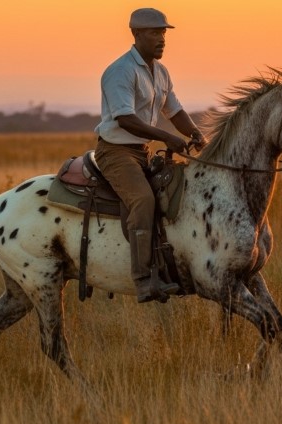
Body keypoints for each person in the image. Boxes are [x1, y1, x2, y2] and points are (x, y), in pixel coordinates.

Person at [94, 7, 206, 303]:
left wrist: (195, 134)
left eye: (164, 33)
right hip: (116, 153)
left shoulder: (161, 72)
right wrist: (168, 136)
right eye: (156, 33)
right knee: (143, 200)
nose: (162, 39)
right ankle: (143, 279)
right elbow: (125, 119)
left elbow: (175, 110)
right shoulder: (120, 71)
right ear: (136, 34)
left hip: (143, 152)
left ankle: (168, 269)